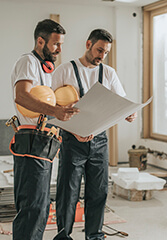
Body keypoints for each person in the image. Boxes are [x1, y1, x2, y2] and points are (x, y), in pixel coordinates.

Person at [51, 29, 136, 240]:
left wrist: (129, 113)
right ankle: (63, 236)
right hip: (72, 140)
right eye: (99, 50)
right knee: (67, 193)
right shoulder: (64, 70)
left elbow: (121, 102)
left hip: (99, 141)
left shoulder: (108, 73)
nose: (101, 56)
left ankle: (94, 235)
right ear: (88, 44)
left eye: (105, 52)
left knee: (98, 191)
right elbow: (52, 107)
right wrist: (74, 129)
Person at [10, 19, 79, 240]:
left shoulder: (46, 69)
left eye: (61, 44)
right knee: (32, 207)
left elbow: (47, 105)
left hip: (44, 140)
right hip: (31, 138)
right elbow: (22, 96)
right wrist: (55, 110)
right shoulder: (28, 62)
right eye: (56, 44)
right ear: (41, 41)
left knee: (40, 207)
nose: (60, 49)